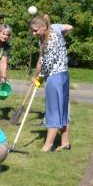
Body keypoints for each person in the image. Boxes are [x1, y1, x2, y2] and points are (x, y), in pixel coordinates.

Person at [30, 15, 73, 152]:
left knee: (53, 111)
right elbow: (69, 27)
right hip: (63, 75)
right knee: (63, 110)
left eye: (36, 30)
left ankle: (48, 145)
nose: (33, 33)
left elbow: (47, 65)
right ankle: (65, 142)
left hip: (55, 77)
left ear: (43, 27)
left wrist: (40, 78)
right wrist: (35, 76)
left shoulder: (51, 40)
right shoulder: (53, 29)